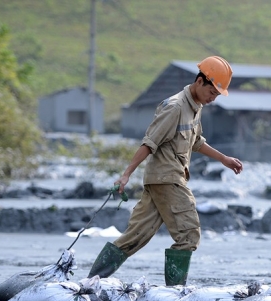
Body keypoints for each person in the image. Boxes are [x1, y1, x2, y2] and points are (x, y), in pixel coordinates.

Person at [87, 56, 243, 286]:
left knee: (134, 237)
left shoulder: (195, 106)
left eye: (217, 95)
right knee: (189, 235)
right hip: (167, 179)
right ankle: (175, 292)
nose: (213, 98)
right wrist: (127, 173)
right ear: (200, 81)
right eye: (212, 92)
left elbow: (196, 141)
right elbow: (149, 142)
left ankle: (89, 282)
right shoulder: (175, 107)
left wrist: (224, 159)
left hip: (162, 181)